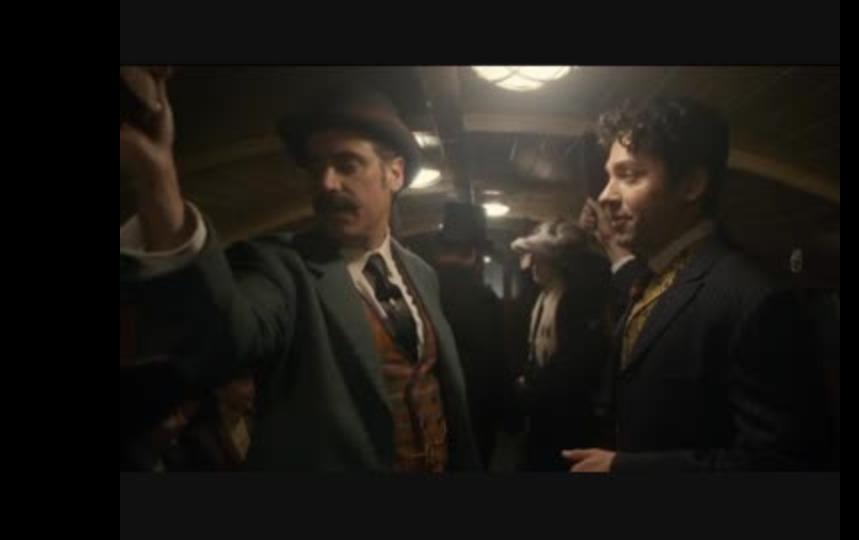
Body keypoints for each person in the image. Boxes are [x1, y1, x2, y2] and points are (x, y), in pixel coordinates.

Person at [119, 70, 479, 471]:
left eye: (346, 164)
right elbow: (222, 336)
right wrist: (157, 181)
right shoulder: (281, 266)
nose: (326, 183)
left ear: (394, 173)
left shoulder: (421, 273)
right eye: (315, 168)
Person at [564, 96, 834, 472]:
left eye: (630, 175)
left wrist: (624, 467)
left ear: (691, 184)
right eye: (610, 176)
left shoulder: (755, 298)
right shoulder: (655, 275)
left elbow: (783, 462)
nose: (606, 195)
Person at [510, 220, 610, 471]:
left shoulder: (574, 302)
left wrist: (533, 386)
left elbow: (572, 367)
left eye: (539, 259)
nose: (531, 265)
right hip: (542, 413)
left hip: (566, 417)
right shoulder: (543, 296)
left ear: (558, 263)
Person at [432, 202, 508, 470]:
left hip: (431, 413)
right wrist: (510, 415)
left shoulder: (422, 291)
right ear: (475, 254)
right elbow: (494, 362)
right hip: (476, 412)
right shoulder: (484, 300)